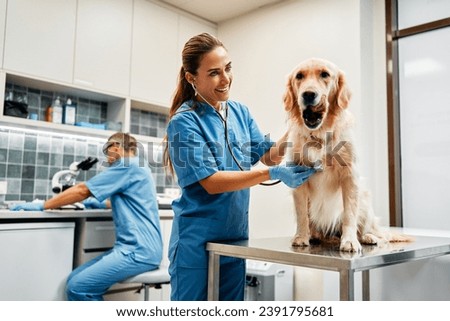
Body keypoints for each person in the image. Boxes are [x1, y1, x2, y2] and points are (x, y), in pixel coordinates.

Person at [163, 33, 316, 301]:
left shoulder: (239, 112)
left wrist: (295, 125)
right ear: (191, 78)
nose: (225, 79)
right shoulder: (184, 122)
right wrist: (269, 174)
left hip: (234, 240)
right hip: (197, 243)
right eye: (214, 73)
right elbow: (210, 182)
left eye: (228, 68)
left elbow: (268, 156)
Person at [11, 132, 163, 301]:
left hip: (137, 251)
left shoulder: (127, 165)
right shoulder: (140, 167)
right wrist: (92, 202)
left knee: (79, 288)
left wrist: (42, 205)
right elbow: (120, 202)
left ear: (117, 147)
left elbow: (82, 190)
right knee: (73, 280)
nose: (108, 159)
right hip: (140, 249)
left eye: (108, 152)